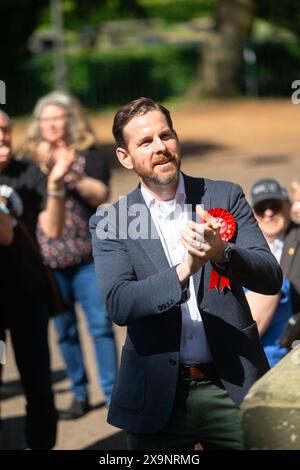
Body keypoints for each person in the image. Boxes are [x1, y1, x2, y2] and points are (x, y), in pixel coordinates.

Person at [90, 97, 282, 450]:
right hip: (156, 393)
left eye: (166, 135)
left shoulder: (225, 194)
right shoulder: (110, 221)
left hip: (232, 383)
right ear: (125, 157)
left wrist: (223, 253)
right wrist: (185, 270)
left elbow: (270, 278)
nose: (160, 147)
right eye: (145, 142)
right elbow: (120, 304)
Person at [23, 91, 118, 418]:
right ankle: (79, 394)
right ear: (39, 124)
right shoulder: (30, 163)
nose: (51, 124)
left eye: (57, 117)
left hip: (88, 259)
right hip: (48, 263)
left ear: (69, 120)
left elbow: (101, 194)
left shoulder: (88, 156)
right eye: (45, 119)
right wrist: (51, 171)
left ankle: (112, 394)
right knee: (64, 332)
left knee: (101, 327)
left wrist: (69, 172)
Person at [0, 108, 72, 448]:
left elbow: (53, 229)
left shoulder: (28, 172)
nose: (2, 136)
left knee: (38, 383)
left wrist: (56, 183)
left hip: (27, 297)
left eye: (5, 129)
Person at [246, 179, 300, 367]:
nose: (269, 213)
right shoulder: (243, 247)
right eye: (262, 208)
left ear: (288, 205)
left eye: (275, 206)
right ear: (253, 213)